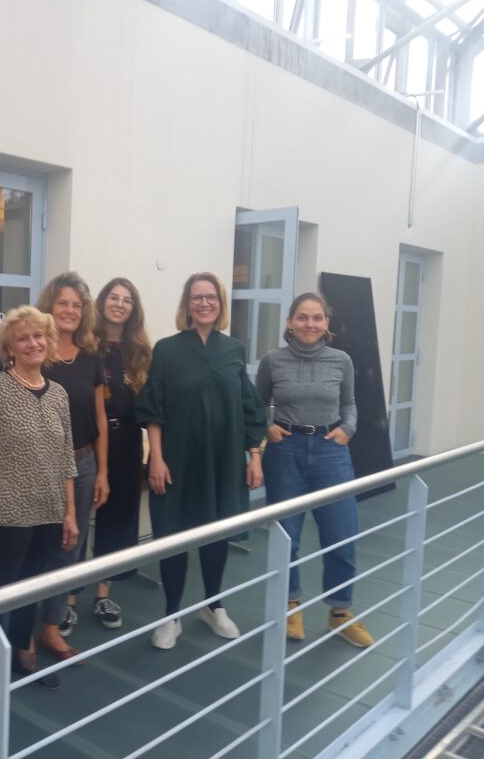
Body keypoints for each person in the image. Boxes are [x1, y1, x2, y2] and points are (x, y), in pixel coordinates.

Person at [134, 271, 267, 650]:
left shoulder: (235, 350)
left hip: (223, 461)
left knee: (217, 532)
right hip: (177, 459)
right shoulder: (167, 349)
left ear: (221, 303)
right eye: (196, 297)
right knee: (173, 535)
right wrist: (156, 458)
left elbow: (249, 408)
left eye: (210, 297)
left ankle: (213, 605)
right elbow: (153, 408)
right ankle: (171, 615)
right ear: (186, 304)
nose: (204, 303)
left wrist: (254, 456)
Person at [0, 306, 79, 689]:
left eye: (38, 336)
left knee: (31, 587)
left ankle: (20, 657)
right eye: (23, 338)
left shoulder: (59, 394)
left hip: (49, 510)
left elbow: (67, 457)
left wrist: (70, 513)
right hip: (8, 511)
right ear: (9, 347)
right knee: (0, 591)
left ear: (48, 343)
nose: (32, 343)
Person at [256, 292, 374, 647]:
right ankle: (290, 606)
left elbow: (350, 403)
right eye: (303, 317)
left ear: (327, 324)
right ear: (290, 323)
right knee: (287, 536)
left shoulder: (342, 360)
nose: (310, 324)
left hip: (330, 451)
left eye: (317, 318)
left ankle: (340, 612)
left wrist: (347, 430)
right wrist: (268, 426)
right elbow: (257, 403)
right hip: (285, 450)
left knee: (341, 533)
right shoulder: (273, 360)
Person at [36, 272, 109, 656]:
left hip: (82, 467)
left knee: (70, 546)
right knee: (37, 547)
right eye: (63, 302)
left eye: (77, 305)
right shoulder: (35, 352)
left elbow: (99, 419)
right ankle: (22, 631)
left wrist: (103, 472)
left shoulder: (92, 358)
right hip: (40, 469)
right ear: (50, 306)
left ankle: (51, 624)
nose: (70, 310)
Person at [87, 278, 153, 629]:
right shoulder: (86, 343)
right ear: (102, 301)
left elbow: (152, 404)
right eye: (113, 296)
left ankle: (102, 593)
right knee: (79, 519)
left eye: (127, 299)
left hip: (126, 442)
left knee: (115, 520)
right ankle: (66, 598)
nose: (119, 304)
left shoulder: (140, 351)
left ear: (133, 309)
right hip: (85, 439)